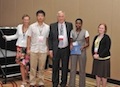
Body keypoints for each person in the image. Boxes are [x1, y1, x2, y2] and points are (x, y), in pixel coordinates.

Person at [3, 14, 30, 86]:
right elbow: (16, 36)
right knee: (22, 64)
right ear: (22, 20)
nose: (26, 21)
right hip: (19, 48)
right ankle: (23, 80)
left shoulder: (31, 28)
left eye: (27, 20)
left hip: (27, 48)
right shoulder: (19, 26)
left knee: (27, 65)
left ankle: (26, 78)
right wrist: (7, 37)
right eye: (25, 19)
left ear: (29, 20)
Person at [48, 11, 73, 87]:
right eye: (59, 16)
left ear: (64, 17)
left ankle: (63, 83)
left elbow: (71, 37)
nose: (61, 18)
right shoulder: (52, 25)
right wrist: (50, 49)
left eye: (62, 16)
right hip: (56, 49)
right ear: (57, 17)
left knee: (65, 67)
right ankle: (55, 83)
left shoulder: (69, 25)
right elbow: (50, 39)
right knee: (55, 67)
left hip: (65, 49)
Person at [27, 10, 49, 87]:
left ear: (44, 17)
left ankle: (41, 82)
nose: (40, 17)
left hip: (43, 50)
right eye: (39, 16)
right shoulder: (32, 26)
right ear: (37, 17)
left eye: (42, 16)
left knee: (41, 68)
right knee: (32, 68)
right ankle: (32, 82)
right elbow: (29, 38)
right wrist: (28, 49)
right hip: (33, 50)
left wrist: (48, 49)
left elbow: (47, 39)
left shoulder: (47, 27)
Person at [69, 18, 89, 87]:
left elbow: (87, 43)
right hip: (74, 52)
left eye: (79, 23)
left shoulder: (85, 32)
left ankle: (82, 85)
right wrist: (71, 45)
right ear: (75, 24)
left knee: (82, 70)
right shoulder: (72, 32)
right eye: (77, 23)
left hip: (82, 51)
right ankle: (71, 85)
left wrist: (83, 47)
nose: (78, 24)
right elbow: (71, 41)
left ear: (81, 24)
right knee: (72, 69)